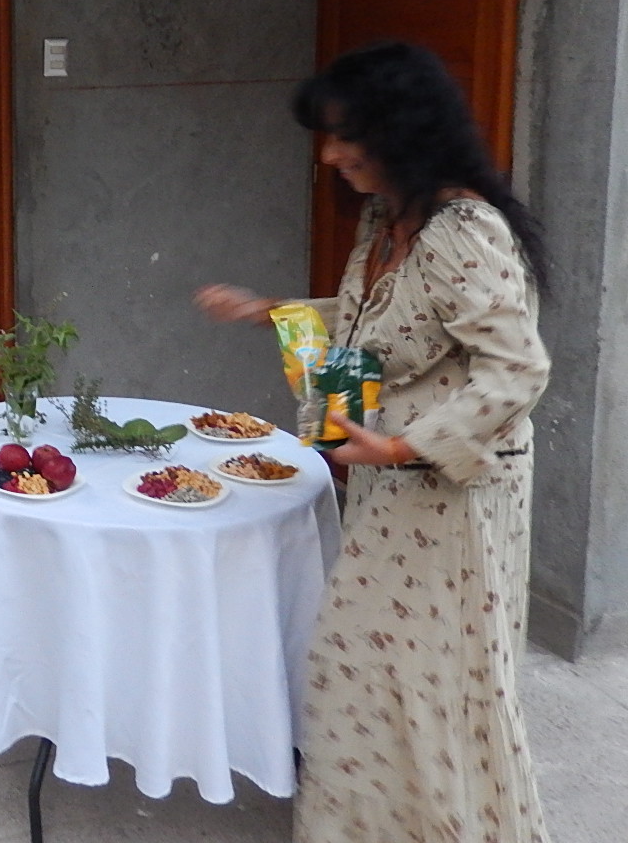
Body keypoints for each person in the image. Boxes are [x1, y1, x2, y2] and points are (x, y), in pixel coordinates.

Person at [195, 42, 551, 843]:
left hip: (453, 503)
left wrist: (399, 449)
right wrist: (269, 312)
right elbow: (380, 321)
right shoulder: (386, 217)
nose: (330, 155)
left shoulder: (464, 231)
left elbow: (519, 369)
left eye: (345, 135)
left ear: (401, 128)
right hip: (391, 487)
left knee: (425, 686)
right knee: (365, 676)